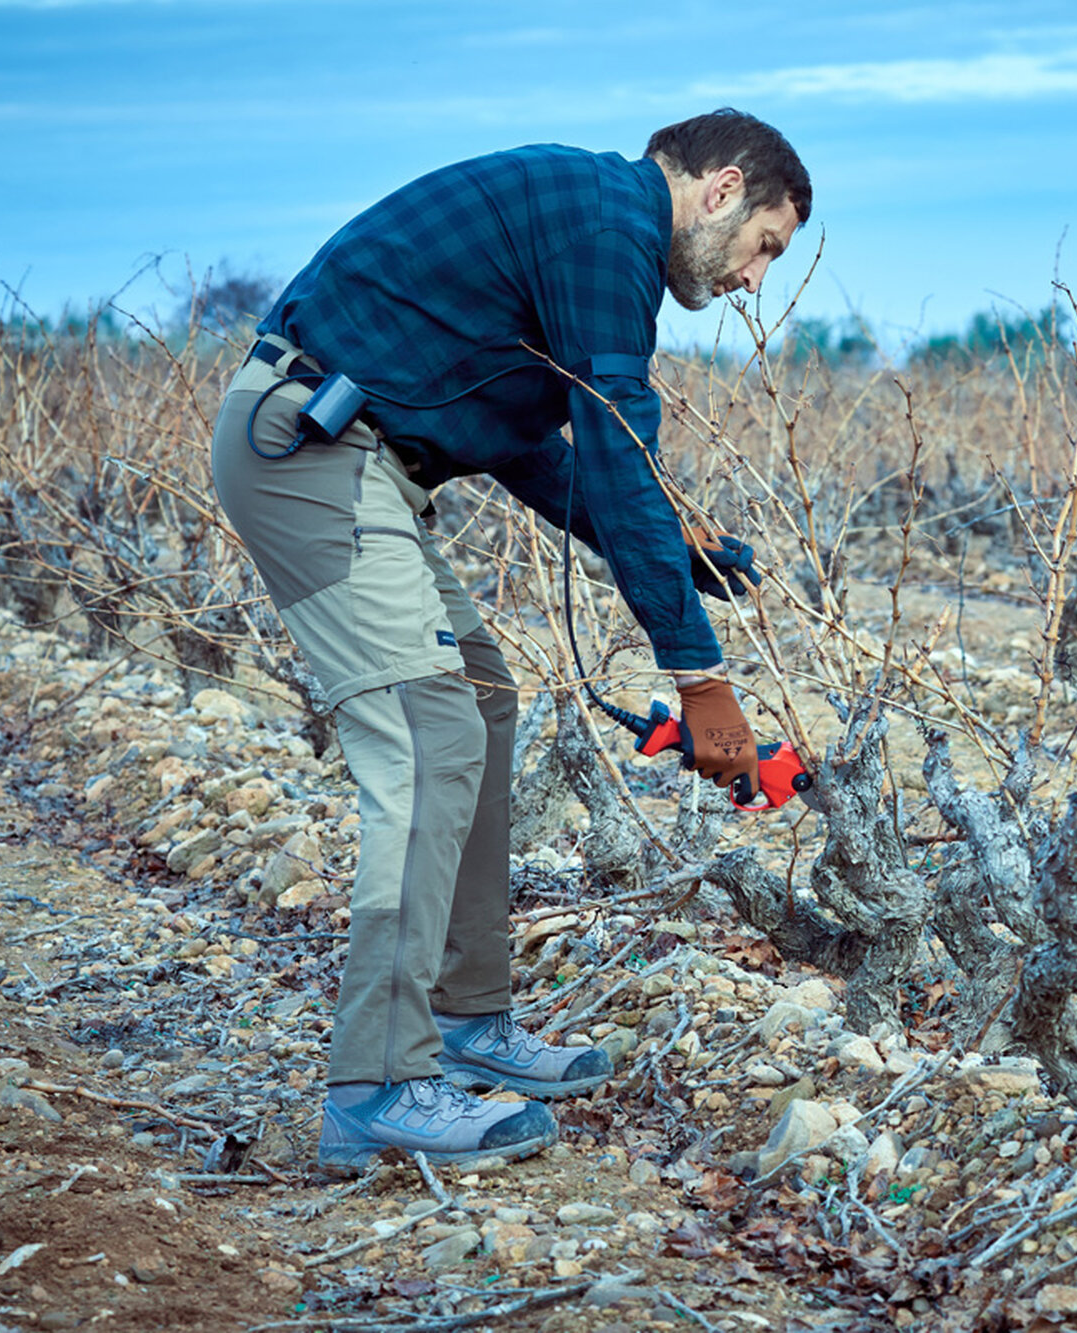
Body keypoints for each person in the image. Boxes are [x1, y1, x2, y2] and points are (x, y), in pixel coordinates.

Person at [209, 109, 811, 1173]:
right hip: (312, 446)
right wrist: (697, 669)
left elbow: (540, 455)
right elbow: (620, 440)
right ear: (721, 189)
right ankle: (377, 1084)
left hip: (359, 457)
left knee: (481, 703)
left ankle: (465, 1024)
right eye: (767, 244)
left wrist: (677, 550)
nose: (757, 280)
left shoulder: (582, 226)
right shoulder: (603, 226)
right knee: (430, 731)